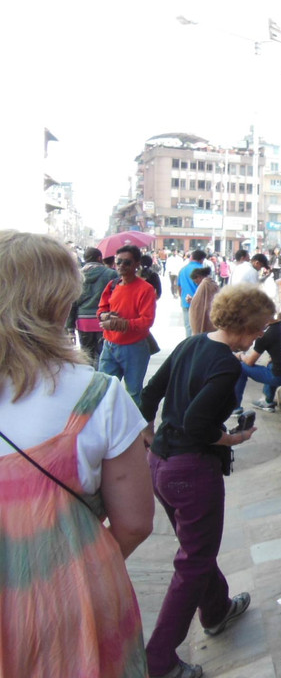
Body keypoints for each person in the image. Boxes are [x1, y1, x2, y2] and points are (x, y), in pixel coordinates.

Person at [0, 230, 154, 678]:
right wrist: (69, 569)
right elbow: (135, 523)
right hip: (72, 603)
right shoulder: (98, 396)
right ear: (56, 302)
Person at [140, 284, 276, 678]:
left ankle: (216, 610)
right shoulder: (227, 364)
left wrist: (152, 437)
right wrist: (231, 438)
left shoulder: (190, 343)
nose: (261, 335)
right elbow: (198, 423)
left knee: (195, 549)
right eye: (260, 327)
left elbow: (149, 396)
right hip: (191, 470)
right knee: (194, 561)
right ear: (247, 324)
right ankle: (159, 659)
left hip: (161, 463)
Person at [97, 245, 157, 407]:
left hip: (134, 347)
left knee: (133, 393)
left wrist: (120, 323)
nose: (122, 266)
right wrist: (104, 315)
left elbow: (146, 321)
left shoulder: (146, 289)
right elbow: (102, 308)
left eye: (127, 262)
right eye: (119, 262)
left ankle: (132, 430)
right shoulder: (112, 285)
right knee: (103, 390)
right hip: (109, 345)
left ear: (136, 264)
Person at [67, 246, 119, 368]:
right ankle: (101, 379)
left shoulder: (77, 276)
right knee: (103, 355)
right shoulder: (111, 274)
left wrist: (70, 328)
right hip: (103, 320)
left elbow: (72, 302)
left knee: (87, 354)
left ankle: (90, 380)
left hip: (83, 321)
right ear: (100, 258)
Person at [234, 314, 281, 412]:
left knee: (241, 367)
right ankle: (267, 401)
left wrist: (240, 356)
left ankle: (235, 407)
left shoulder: (265, 335)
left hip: (279, 377)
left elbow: (249, 362)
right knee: (271, 364)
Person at [177, 250, 206, 337]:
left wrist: (182, 298)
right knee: (200, 328)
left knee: (188, 327)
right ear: (202, 259)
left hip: (185, 302)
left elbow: (179, 286)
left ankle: (189, 347)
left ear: (191, 257)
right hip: (200, 303)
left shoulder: (182, 270)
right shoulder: (202, 270)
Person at [188, 266, 219, 335]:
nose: (196, 284)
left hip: (208, 319)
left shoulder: (204, 284)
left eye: (196, 281)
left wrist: (192, 301)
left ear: (199, 277)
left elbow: (198, 303)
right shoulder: (211, 282)